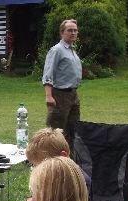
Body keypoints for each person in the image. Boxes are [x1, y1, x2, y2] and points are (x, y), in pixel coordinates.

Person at [42, 19, 82, 148]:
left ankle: (68, 160)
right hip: (59, 95)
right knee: (55, 131)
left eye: (75, 30)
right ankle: (49, 160)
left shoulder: (71, 50)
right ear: (62, 32)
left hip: (73, 95)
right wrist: (49, 95)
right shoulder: (57, 50)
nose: (73, 33)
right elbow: (48, 73)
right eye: (70, 30)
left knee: (73, 129)